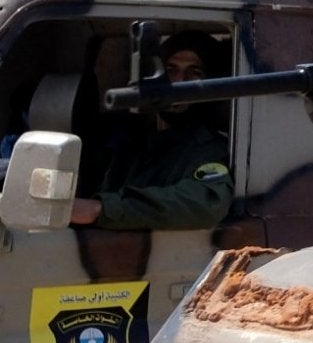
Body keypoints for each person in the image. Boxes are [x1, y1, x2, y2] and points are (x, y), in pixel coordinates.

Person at [69, 33, 233, 231]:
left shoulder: (208, 150)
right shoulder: (129, 138)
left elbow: (206, 203)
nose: (180, 81)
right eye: (171, 70)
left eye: (194, 72)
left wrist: (101, 209)